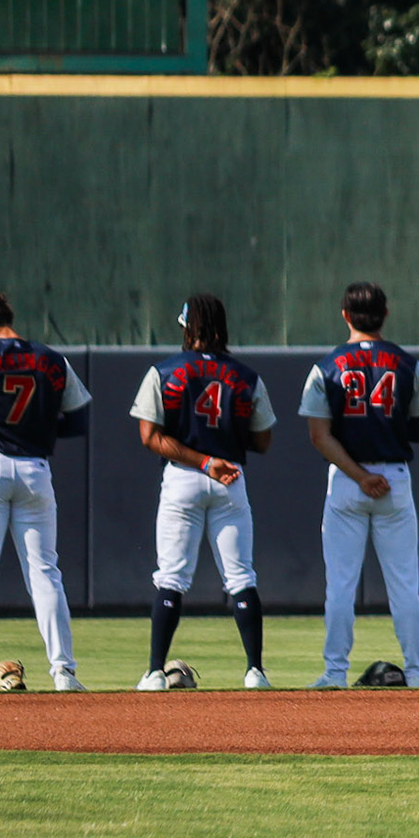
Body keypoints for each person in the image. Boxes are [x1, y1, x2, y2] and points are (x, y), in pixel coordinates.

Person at [130, 294, 277, 690]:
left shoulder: (164, 371)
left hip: (182, 476)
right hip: (230, 478)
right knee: (241, 576)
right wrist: (222, 446)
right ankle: (255, 672)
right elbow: (263, 441)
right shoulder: (247, 377)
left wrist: (202, 460)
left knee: (172, 578)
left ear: (186, 327)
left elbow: (149, 436)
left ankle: (155, 672)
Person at [300, 282, 419, 689]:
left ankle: (334, 673)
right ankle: (417, 673)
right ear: (386, 314)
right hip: (394, 479)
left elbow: (318, 436)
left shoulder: (327, 366)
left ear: (344, 314)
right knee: (404, 586)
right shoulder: (408, 364)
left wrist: (359, 475)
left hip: (347, 481)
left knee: (340, 585)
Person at [0, 292, 91, 691]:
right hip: (35, 469)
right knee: (45, 573)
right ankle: (64, 672)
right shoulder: (52, 359)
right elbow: (78, 419)